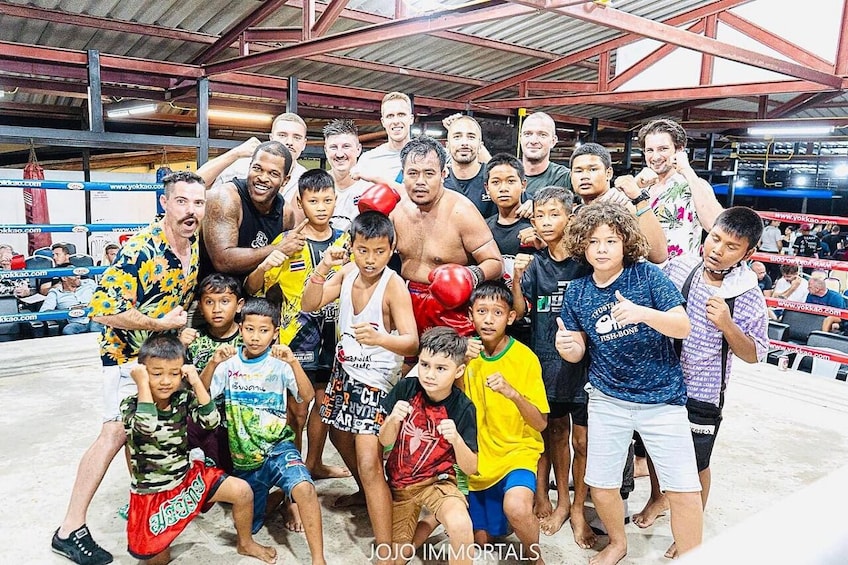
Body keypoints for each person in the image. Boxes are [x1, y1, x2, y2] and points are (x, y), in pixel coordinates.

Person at [51, 171, 207, 565]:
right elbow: (102, 311)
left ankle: (142, 503)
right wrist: (162, 326)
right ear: (165, 204)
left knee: (141, 435)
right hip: (124, 358)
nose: (191, 211)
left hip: (157, 359)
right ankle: (69, 528)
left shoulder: (192, 243)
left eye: (198, 203)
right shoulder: (141, 249)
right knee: (114, 433)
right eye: (182, 201)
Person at [557, 201, 703, 564]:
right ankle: (618, 544)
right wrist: (568, 346)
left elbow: (682, 326)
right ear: (582, 246)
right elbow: (577, 352)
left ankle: (693, 555)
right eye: (593, 242)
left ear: (625, 243)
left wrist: (641, 313)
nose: (602, 248)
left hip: (663, 400)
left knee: (684, 490)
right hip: (607, 400)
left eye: (611, 240)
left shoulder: (648, 276)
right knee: (602, 485)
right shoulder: (576, 292)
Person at [634, 207, 769, 558]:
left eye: (731, 247)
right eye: (715, 239)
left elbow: (754, 353)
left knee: (696, 465)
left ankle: (691, 530)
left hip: (704, 392)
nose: (718, 250)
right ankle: (658, 498)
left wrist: (728, 324)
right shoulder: (682, 267)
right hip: (662, 382)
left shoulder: (747, 293)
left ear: (748, 254)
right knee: (653, 449)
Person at [301, 211, 419, 565]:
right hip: (344, 373)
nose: (370, 260)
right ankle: (367, 492)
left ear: (391, 249)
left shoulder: (393, 285)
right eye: (363, 250)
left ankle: (386, 548)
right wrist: (322, 268)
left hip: (376, 384)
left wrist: (384, 338)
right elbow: (310, 303)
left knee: (370, 464)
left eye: (379, 252)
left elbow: (412, 342)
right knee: (337, 434)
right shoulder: (349, 270)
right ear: (351, 246)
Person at [121, 334, 276, 565]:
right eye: (156, 373)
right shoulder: (130, 404)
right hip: (152, 493)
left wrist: (195, 383)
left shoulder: (182, 398)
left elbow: (211, 421)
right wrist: (142, 383)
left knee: (242, 491)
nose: (166, 381)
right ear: (142, 371)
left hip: (186, 479)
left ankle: (246, 543)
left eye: (174, 373)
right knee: (158, 561)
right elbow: (146, 427)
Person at [244, 168, 352, 495]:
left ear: (336, 201)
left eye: (328, 200)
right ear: (301, 203)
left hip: (337, 336)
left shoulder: (347, 241)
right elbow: (253, 288)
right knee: (297, 409)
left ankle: (314, 462)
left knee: (323, 402)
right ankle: (293, 474)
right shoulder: (289, 242)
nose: (321, 207)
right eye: (314, 201)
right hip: (297, 336)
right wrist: (264, 264)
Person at [200, 298, 326, 564]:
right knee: (251, 525)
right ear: (241, 328)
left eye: (263, 330)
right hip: (244, 459)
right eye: (249, 329)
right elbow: (201, 396)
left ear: (275, 333)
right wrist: (212, 364)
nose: (255, 337)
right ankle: (281, 496)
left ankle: (318, 558)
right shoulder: (229, 363)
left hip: (278, 448)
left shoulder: (280, 363)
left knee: (305, 487)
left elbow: (305, 396)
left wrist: (293, 363)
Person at [511, 186, 595, 545]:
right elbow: (518, 311)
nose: (546, 222)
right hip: (548, 364)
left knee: (585, 440)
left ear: (570, 217)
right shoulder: (535, 265)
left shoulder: (588, 261)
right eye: (540, 216)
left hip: (590, 367)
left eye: (554, 214)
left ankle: (579, 507)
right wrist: (516, 276)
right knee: (556, 435)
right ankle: (562, 502)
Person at [376, 327, 478, 565]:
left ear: (458, 370)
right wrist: (392, 419)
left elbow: (471, 467)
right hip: (401, 487)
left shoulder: (463, 407)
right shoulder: (406, 388)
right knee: (391, 561)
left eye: (441, 368)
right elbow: (384, 441)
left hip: (438, 483)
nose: (430, 374)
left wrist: (456, 440)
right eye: (424, 365)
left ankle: (439, 515)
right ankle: (433, 520)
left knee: (461, 524)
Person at [464, 280, 548, 565]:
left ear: (511, 317)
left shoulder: (525, 359)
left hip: (517, 454)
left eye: (497, 312)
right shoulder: (464, 356)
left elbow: (540, 425)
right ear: (470, 315)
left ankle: (536, 559)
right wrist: (456, 367)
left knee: (517, 508)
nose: (488, 320)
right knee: (482, 541)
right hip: (477, 461)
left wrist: (513, 393)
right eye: (481, 311)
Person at [390, 135, 504, 337]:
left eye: (429, 173)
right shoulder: (397, 211)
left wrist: (469, 276)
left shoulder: (462, 212)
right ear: (403, 175)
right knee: (407, 367)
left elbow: (495, 262)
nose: (420, 182)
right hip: (407, 304)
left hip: (451, 311)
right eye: (413, 173)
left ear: (443, 174)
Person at [200, 141, 308, 280]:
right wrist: (277, 248)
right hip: (214, 295)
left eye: (273, 174)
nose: (263, 178)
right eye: (257, 168)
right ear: (249, 167)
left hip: (254, 290)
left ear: (285, 181)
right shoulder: (225, 198)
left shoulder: (286, 213)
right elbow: (223, 261)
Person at [179, 273, 245, 472]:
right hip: (207, 425)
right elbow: (195, 392)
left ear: (239, 304)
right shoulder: (194, 341)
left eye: (225, 301)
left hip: (242, 423)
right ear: (200, 306)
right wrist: (212, 362)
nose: (217, 309)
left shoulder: (249, 337)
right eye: (209, 302)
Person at [636, 118, 724, 260]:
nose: (655, 156)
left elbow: (715, 225)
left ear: (679, 149)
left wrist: (686, 170)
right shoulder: (640, 188)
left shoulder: (693, 184)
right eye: (649, 150)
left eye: (663, 149)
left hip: (678, 277)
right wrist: (636, 185)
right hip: (640, 275)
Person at [569, 142, 668, 265]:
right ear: (571, 175)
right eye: (578, 171)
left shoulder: (626, 207)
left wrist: (639, 199)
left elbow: (659, 255)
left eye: (593, 169)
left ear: (609, 173)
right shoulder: (574, 212)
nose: (585, 176)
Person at [198, 112, 308, 206]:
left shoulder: (306, 178)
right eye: (282, 135)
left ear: (304, 144)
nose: (289, 142)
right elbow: (197, 183)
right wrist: (235, 153)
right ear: (271, 138)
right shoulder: (243, 166)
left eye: (297, 137)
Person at [483, 153, 536, 344]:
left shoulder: (538, 225)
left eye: (511, 181)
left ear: (523, 184)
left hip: (532, 324)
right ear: (487, 188)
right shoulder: (482, 229)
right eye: (496, 182)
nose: (503, 188)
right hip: (494, 321)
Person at [323, 118, 372, 233]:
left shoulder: (369, 189)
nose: (340, 154)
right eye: (333, 147)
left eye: (346, 146)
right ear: (325, 150)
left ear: (358, 149)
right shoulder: (314, 186)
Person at [355, 91, 414, 183]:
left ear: (411, 119)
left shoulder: (428, 156)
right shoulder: (368, 160)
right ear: (383, 122)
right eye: (390, 116)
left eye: (401, 115)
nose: (396, 121)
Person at [444, 115, 497, 219]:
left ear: (480, 146)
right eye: (457, 137)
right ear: (447, 145)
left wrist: (529, 205)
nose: (464, 143)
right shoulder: (439, 181)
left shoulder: (495, 178)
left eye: (471, 137)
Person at [39, 262, 102, 334]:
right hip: (76, 323)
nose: (78, 276)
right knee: (68, 330)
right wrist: (66, 313)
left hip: (94, 318)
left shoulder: (89, 283)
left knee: (95, 326)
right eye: (74, 274)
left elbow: (105, 296)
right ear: (64, 278)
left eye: (78, 273)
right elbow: (44, 312)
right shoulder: (56, 292)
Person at [520, 112, 571, 199]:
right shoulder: (506, 174)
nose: (533, 141)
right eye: (527, 134)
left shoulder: (564, 178)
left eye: (542, 135)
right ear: (520, 138)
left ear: (553, 141)